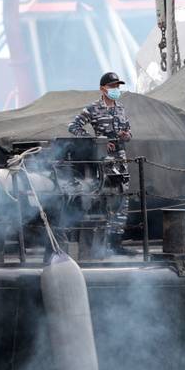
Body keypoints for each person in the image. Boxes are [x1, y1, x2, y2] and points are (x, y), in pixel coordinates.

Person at [69, 71, 134, 255]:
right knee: (103, 197)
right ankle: (98, 244)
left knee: (122, 199)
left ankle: (115, 242)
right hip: (103, 161)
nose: (116, 89)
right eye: (112, 86)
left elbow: (129, 132)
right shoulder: (93, 109)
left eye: (118, 86)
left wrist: (126, 135)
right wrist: (96, 141)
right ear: (103, 89)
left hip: (120, 159)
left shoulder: (120, 109)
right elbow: (74, 127)